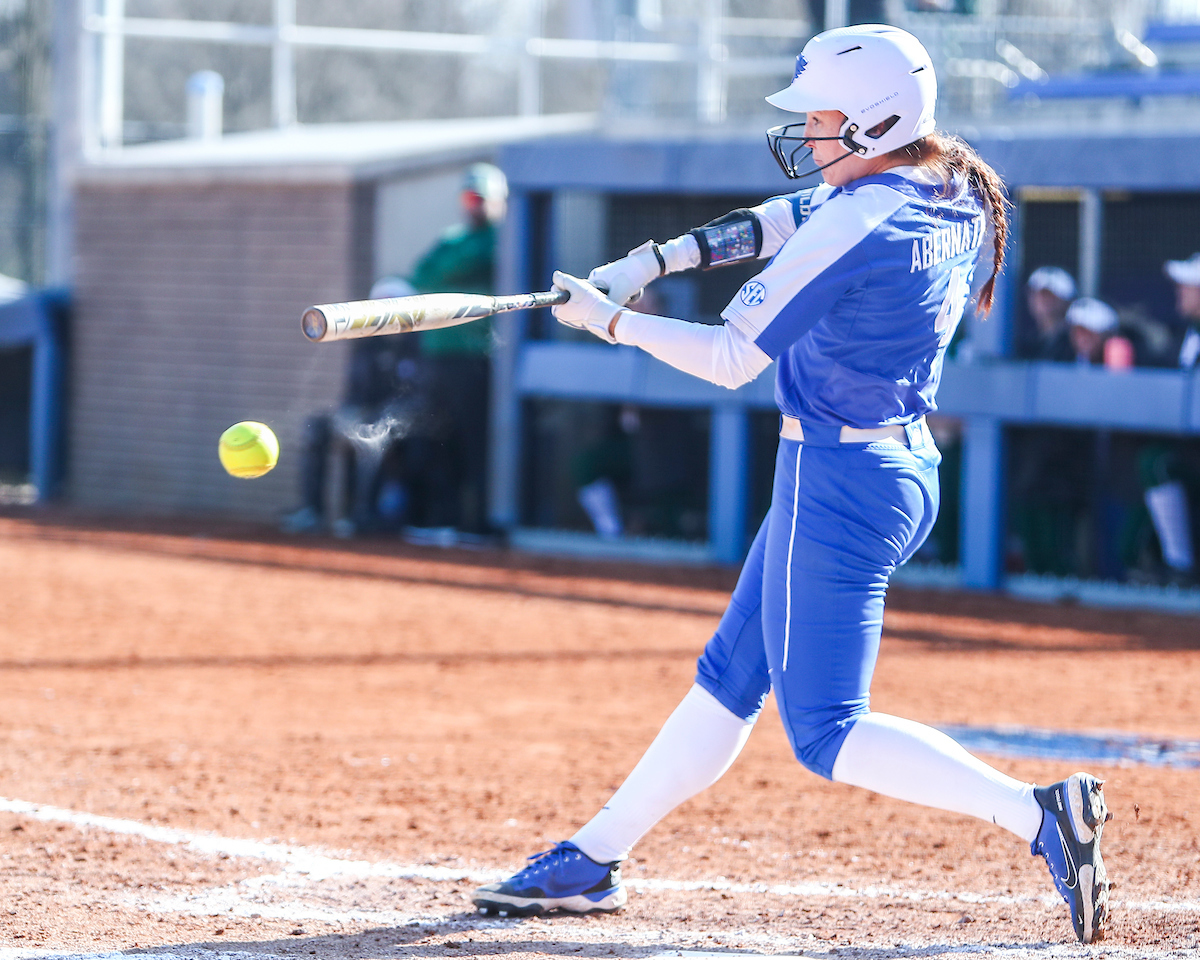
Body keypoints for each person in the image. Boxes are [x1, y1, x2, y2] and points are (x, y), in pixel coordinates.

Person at [471, 25, 1111, 945]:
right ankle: (593, 856)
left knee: (827, 732)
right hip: (890, 465)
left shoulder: (859, 220)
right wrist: (653, 262)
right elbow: (785, 217)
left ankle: (1038, 813)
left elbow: (732, 357)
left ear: (875, 121)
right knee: (729, 677)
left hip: (836, 475)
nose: (806, 134)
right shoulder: (945, 183)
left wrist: (610, 322)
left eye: (821, 119)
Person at [409, 162, 508, 535]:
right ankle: (442, 518)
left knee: (475, 440)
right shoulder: (453, 238)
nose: (474, 206)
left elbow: (455, 266)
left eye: (482, 199)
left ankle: (477, 522)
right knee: (436, 437)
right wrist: (451, 266)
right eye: (469, 198)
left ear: (499, 202)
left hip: (476, 356)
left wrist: (450, 267)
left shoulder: (500, 238)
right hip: (438, 354)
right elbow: (423, 274)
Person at [1019, 265, 1075, 361]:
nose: (1041, 299)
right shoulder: (1025, 343)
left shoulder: (1075, 345)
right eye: (1036, 294)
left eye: (1049, 295)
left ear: (1067, 301)